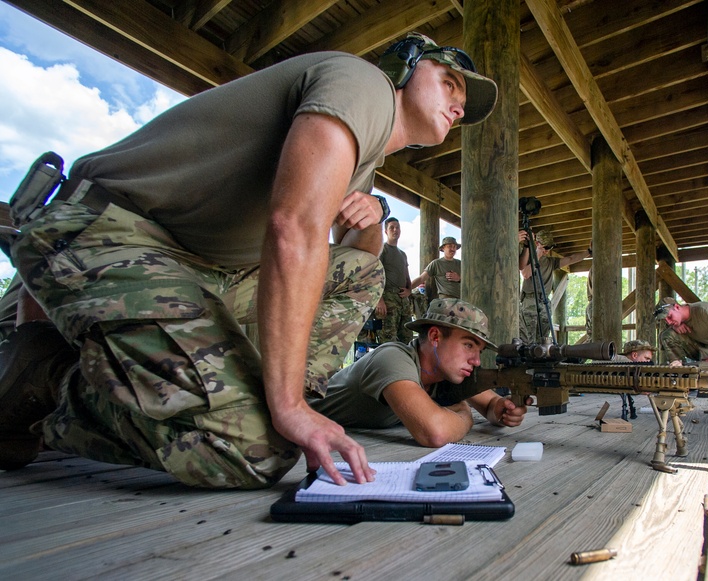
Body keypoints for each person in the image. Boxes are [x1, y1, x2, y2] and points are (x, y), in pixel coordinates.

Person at [0, 32, 497, 488]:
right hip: (105, 231)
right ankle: (46, 385)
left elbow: (355, 264)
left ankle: (266, 399)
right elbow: (293, 227)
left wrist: (369, 219)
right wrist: (288, 409)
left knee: (358, 275)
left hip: (201, 267)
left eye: (464, 102)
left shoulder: (365, 156)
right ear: (404, 69)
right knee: (257, 448)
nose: (458, 104)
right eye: (449, 83)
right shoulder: (364, 85)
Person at [310, 298, 531, 447]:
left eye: (480, 351)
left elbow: (492, 405)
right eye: (468, 345)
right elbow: (435, 432)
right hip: (301, 428)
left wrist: (503, 411)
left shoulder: (447, 372)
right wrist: (465, 415)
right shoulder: (392, 357)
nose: (476, 360)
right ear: (435, 337)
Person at [517, 229, 590, 343]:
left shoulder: (551, 262)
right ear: (537, 244)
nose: (547, 251)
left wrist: (588, 251)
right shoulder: (529, 257)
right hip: (530, 300)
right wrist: (538, 254)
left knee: (543, 339)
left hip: (545, 302)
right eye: (546, 248)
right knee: (528, 339)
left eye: (550, 248)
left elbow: (571, 259)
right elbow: (525, 273)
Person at [654, 298, 708, 366]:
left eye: (670, 317)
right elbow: (668, 334)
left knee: (706, 370)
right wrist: (674, 326)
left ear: (677, 307)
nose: (668, 322)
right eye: (665, 320)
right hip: (702, 349)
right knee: (667, 335)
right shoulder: (676, 321)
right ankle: (679, 368)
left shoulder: (705, 310)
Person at [374, 217, 413, 343]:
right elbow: (375, 275)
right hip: (387, 298)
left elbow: (407, 276)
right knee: (388, 339)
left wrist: (409, 290)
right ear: (386, 231)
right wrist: (379, 300)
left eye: (397, 227)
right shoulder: (382, 250)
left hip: (403, 301)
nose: (395, 230)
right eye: (392, 227)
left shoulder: (403, 254)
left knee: (407, 338)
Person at [613, 339, 655, 420]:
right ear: (635, 355)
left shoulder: (622, 363)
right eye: (646, 358)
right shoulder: (623, 362)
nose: (648, 362)